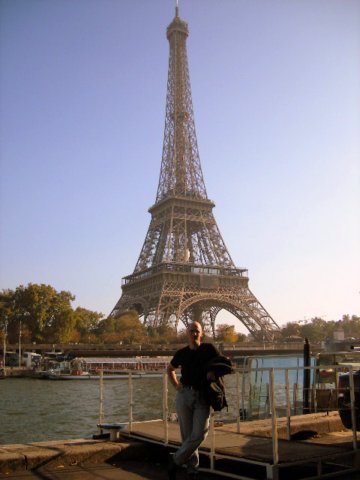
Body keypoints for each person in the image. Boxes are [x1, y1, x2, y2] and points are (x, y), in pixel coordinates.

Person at [167, 321, 219, 480]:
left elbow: (223, 364)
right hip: (184, 395)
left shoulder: (209, 349)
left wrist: (212, 372)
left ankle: (175, 461)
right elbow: (170, 369)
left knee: (200, 433)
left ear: (201, 333)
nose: (193, 333)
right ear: (187, 333)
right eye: (191, 331)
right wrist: (177, 385)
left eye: (196, 331)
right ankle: (192, 469)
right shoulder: (181, 353)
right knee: (187, 435)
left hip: (203, 395)